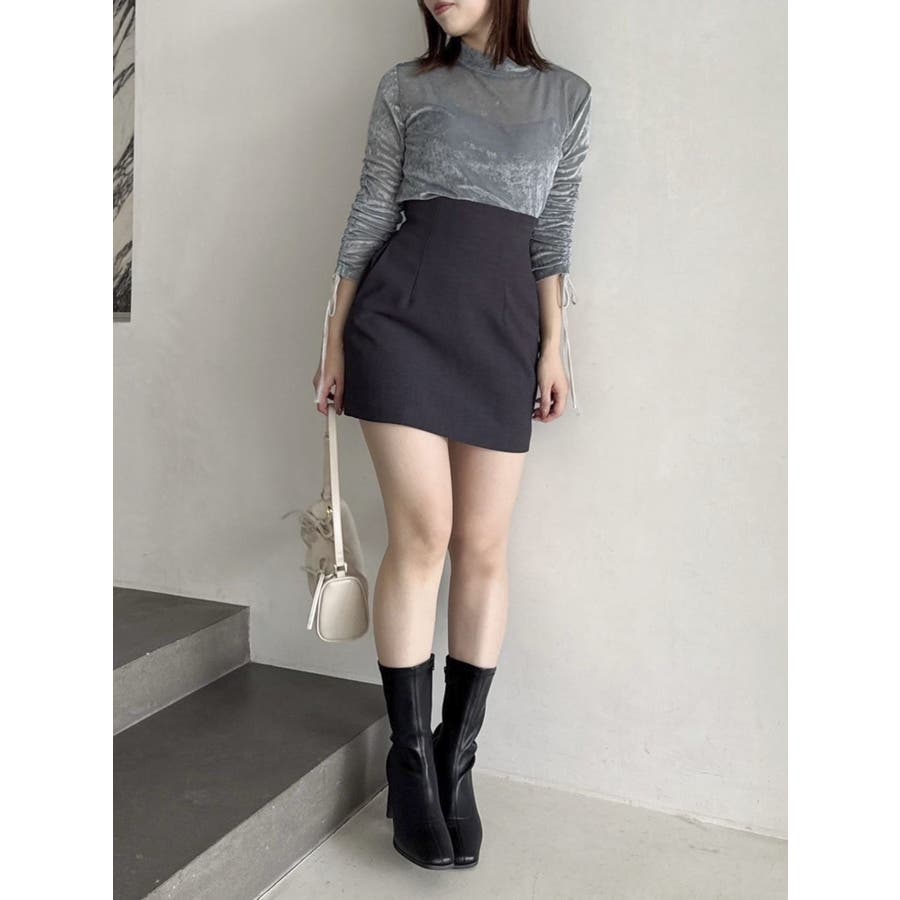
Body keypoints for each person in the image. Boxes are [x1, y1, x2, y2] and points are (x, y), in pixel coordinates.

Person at [311, 0, 591, 872]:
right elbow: (370, 210)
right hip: (400, 325)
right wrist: (333, 338)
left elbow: (553, 232)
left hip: (503, 335)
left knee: (483, 546)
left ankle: (454, 761)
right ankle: (409, 768)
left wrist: (555, 346)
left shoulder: (567, 97)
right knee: (425, 533)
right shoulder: (406, 87)